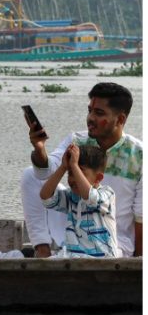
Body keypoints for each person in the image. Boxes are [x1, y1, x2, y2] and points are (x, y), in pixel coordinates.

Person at [21, 83, 141, 257]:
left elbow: (141, 217)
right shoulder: (76, 140)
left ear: (120, 119)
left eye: (99, 113)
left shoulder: (140, 155)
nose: (90, 118)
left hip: (114, 244)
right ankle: (42, 251)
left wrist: (137, 263)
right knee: (30, 174)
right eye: (89, 111)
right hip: (74, 230)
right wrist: (39, 148)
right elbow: (45, 172)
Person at [39, 144, 118, 258]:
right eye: (71, 173)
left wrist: (74, 166)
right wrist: (63, 168)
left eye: (79, 173)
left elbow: (90, 197)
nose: (72, 179)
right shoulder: (71, 197)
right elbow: (45, 197)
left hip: (103, 261)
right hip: (73, 259)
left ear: (98, 178)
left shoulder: (107, 194)